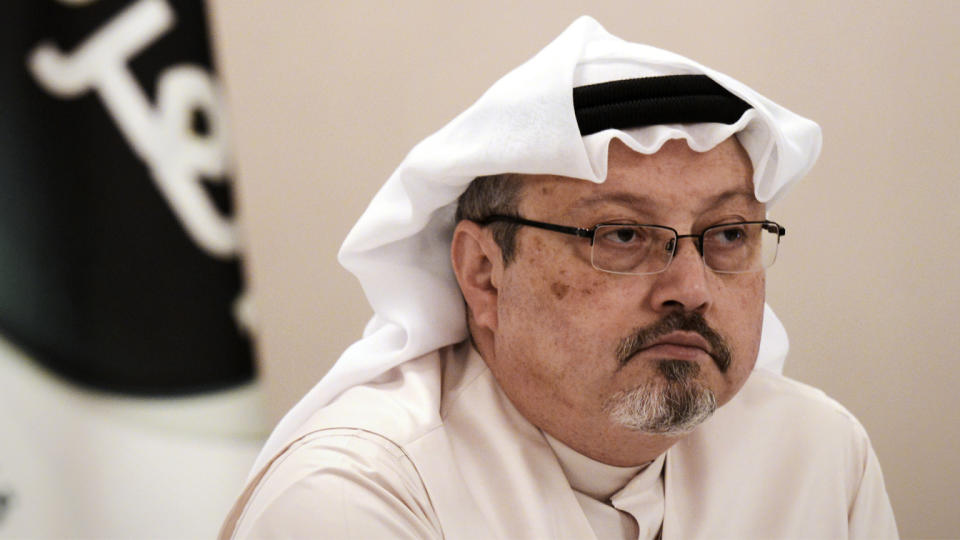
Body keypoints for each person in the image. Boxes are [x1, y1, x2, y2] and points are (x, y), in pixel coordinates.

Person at [220, 17, 898, 539]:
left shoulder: (819, 453)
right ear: (484, 276)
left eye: (726, 236)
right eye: (623, 235)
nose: (691, 288)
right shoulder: (358, 494)